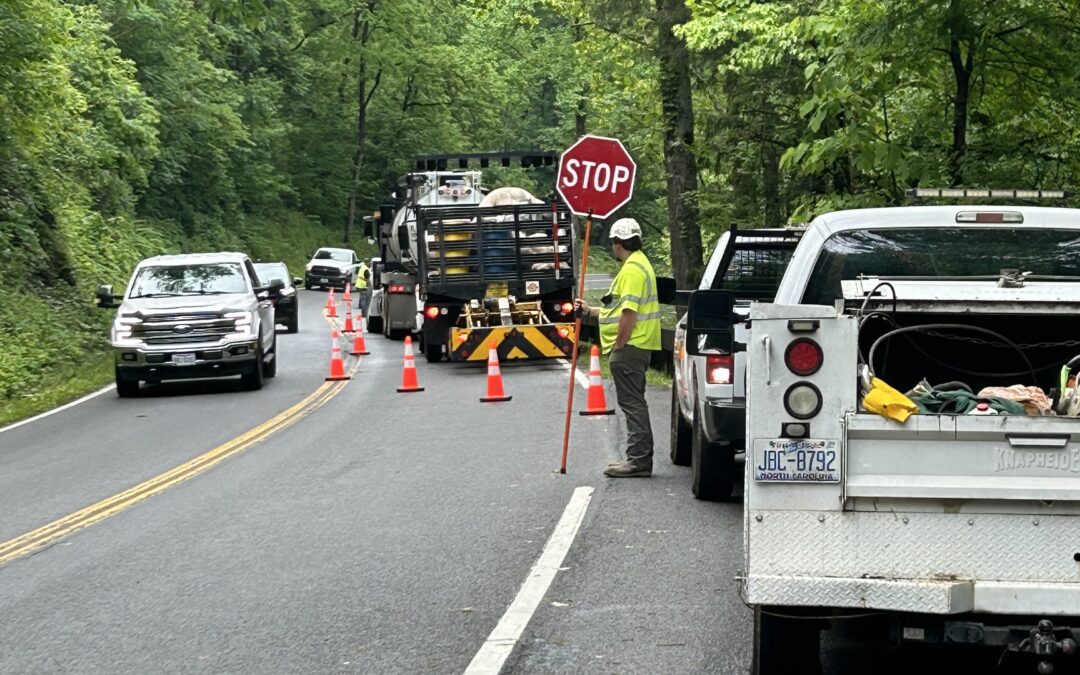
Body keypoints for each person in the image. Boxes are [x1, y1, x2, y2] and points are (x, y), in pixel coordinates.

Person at [575, 218, 662, 477]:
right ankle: (635, 458)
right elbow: (617, 309)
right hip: (637, 344)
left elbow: (628, 314)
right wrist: (590, 311)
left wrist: (618, 346)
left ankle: (638, 461)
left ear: (617, 243)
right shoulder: (636, 265)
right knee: (634, 403)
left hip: (631, 345)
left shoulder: (633, 270)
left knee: (633, 404)